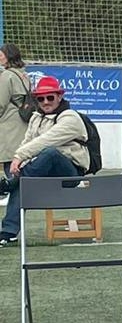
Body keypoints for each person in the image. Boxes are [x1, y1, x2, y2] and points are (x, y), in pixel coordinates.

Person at [0, 76, 93, 244]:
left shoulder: (70, 117)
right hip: (43, 171)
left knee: (50, 152)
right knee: (24, 180)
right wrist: (19, 160)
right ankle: (8, 232)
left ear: (59, 96)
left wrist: (19, 156)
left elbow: (46, 141)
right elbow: (27, 142)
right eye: (41, 98)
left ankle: (10, 184)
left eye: (50, 97)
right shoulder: (36, 118)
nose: (45, 101)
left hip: (71, 174)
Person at [0, 42, 29, 170]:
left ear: (9, 56)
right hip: (22, 124)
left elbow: (0, 103)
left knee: (10, 168)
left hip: (9, 128)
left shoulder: (6, 76)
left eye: (1, 55)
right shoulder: (24, 75)